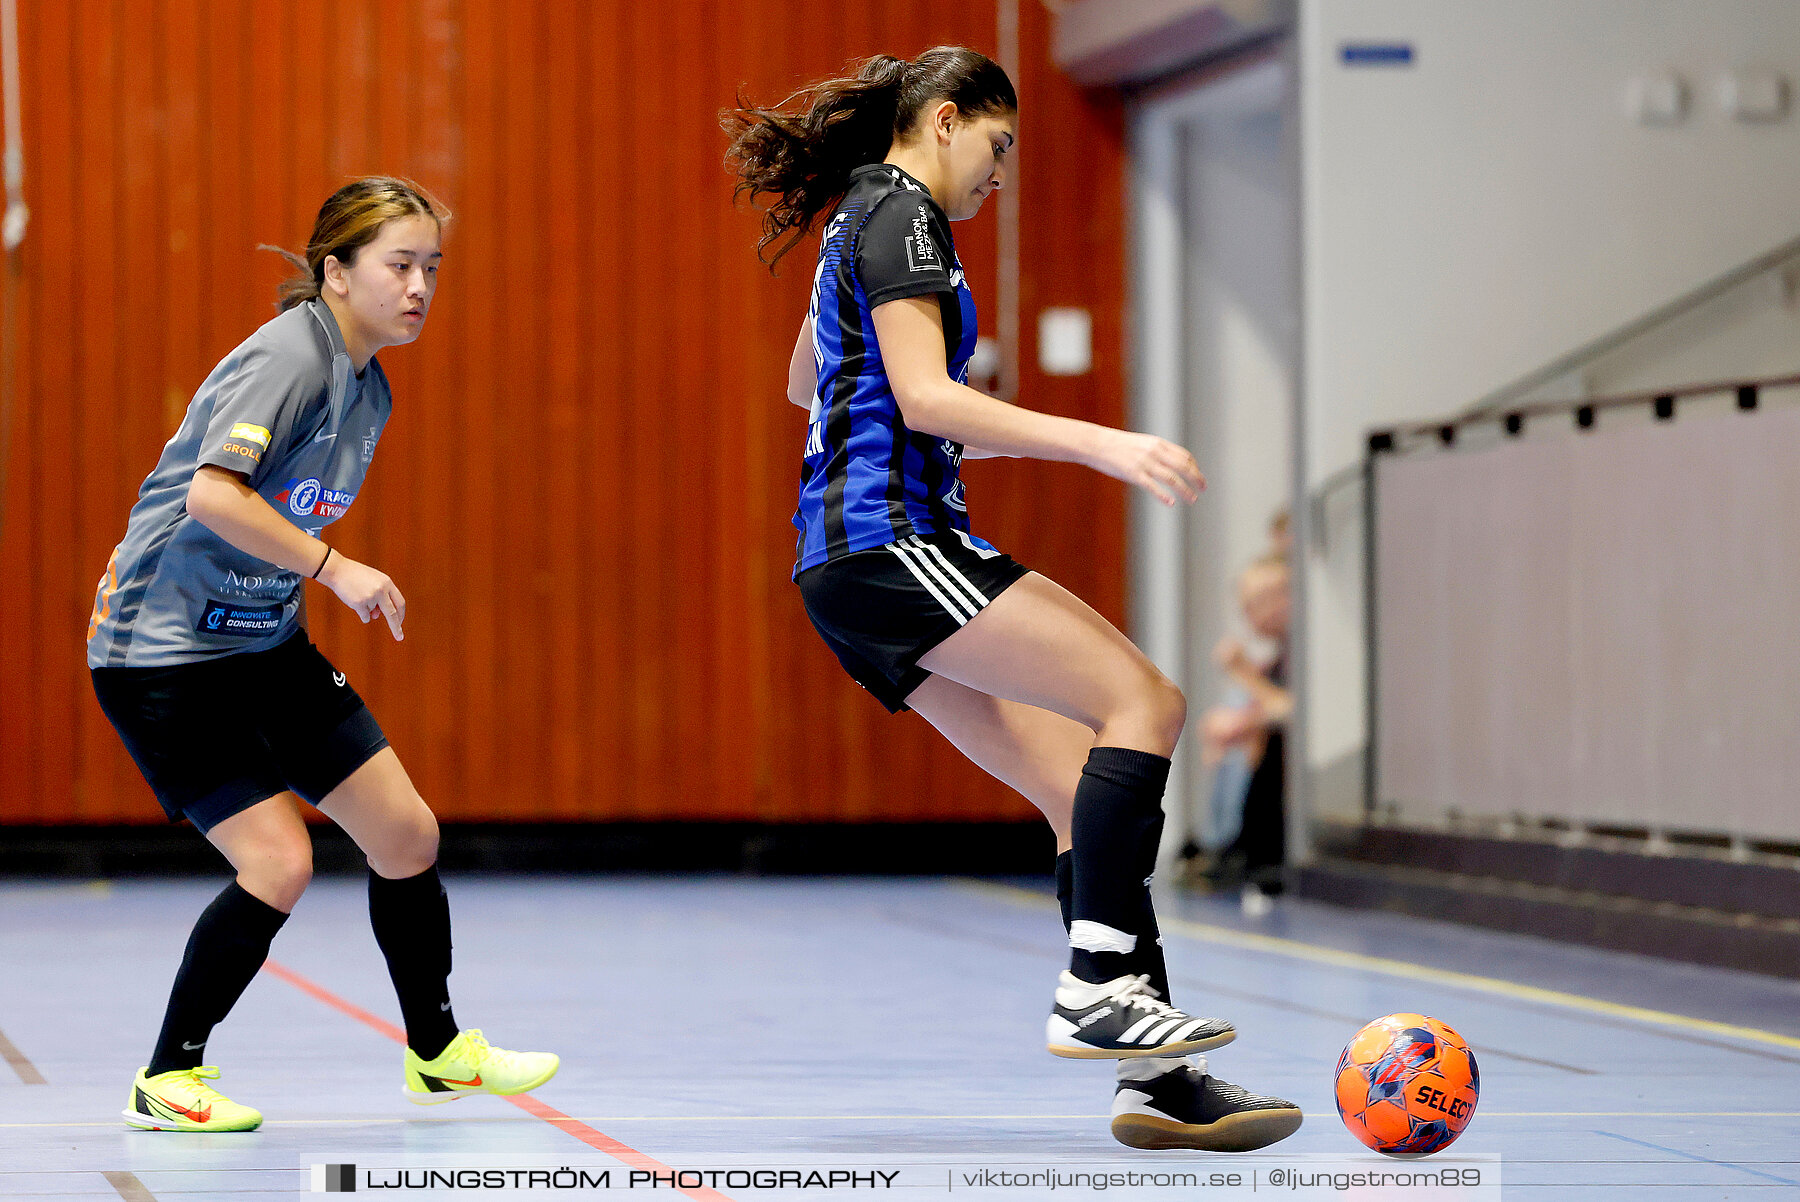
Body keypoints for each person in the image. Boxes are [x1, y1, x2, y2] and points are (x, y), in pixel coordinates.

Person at [724, 49, 1301, 1152]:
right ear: (944, 121)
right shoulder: (905, 218)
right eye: (997, 147)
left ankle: (1159, 1081)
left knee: (1074, 781)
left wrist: (864, 349)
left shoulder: (858, 220)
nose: (1001, 175)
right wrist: (1106, 442)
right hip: (892, 541)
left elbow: (809, 378)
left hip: (841, 563)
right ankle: (1099, 984)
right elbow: (929, 398)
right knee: (1147, 700)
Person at [86, 178, 557, 1132]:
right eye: (399, 264)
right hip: (164, 652)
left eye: (433, 267)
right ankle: (168, 1075)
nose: (421, 285)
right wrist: (336, 568)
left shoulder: (367, 383)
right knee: (279, 863)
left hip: (263, 641)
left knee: (405, 835)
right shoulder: (291, 358)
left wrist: (308, 581)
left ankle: (439, 1055)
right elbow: (214, 497)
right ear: (335, 272)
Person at [1201, 557, 1293, 914]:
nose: (1248, 614)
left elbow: (1292, 712)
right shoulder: (1275, 661)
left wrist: (1241, 673)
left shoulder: (1310, 653)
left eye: (1256, 602)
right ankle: (1224, 844)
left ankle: (1242, 851)